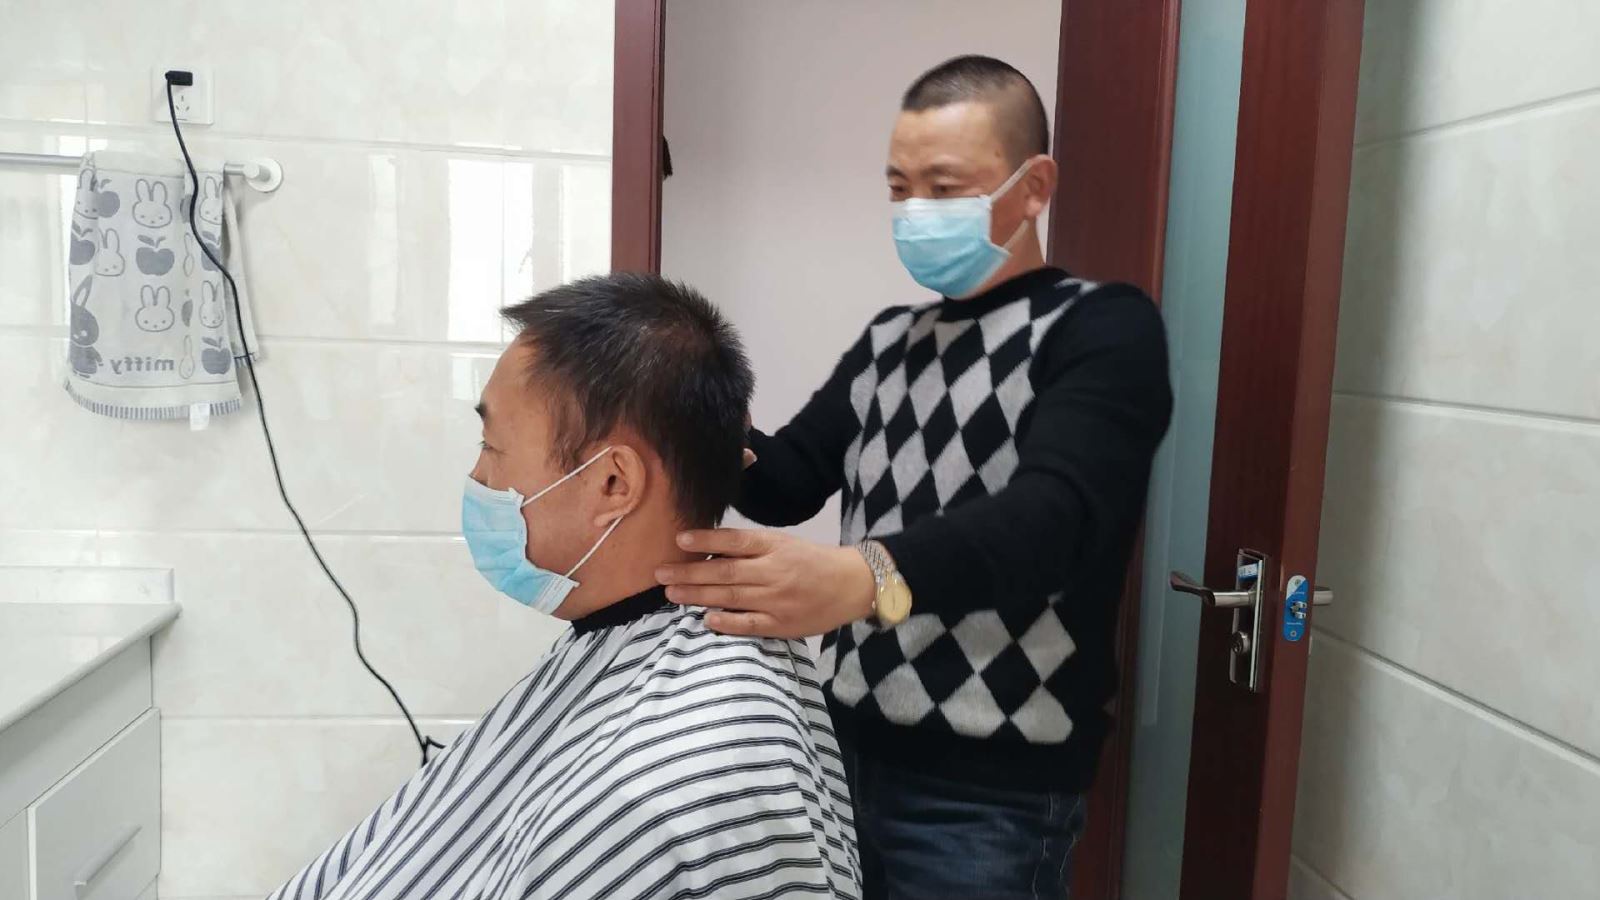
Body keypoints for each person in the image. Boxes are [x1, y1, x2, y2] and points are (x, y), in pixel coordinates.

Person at [654, 56, 1173, 899]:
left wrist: (865, 577)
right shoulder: (891, 341)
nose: (916, 211)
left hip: (991, 794)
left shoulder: (1102, 328)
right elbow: (788, 481)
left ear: (1034, 187)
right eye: (900, 188)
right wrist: (697, 417)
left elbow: (1055, 521)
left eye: (945, 187)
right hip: (841, 750)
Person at [269, 274, 860, 900]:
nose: (479, 477)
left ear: (613, 484)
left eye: (492, 447)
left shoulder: (657, 784)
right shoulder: (649, 650)